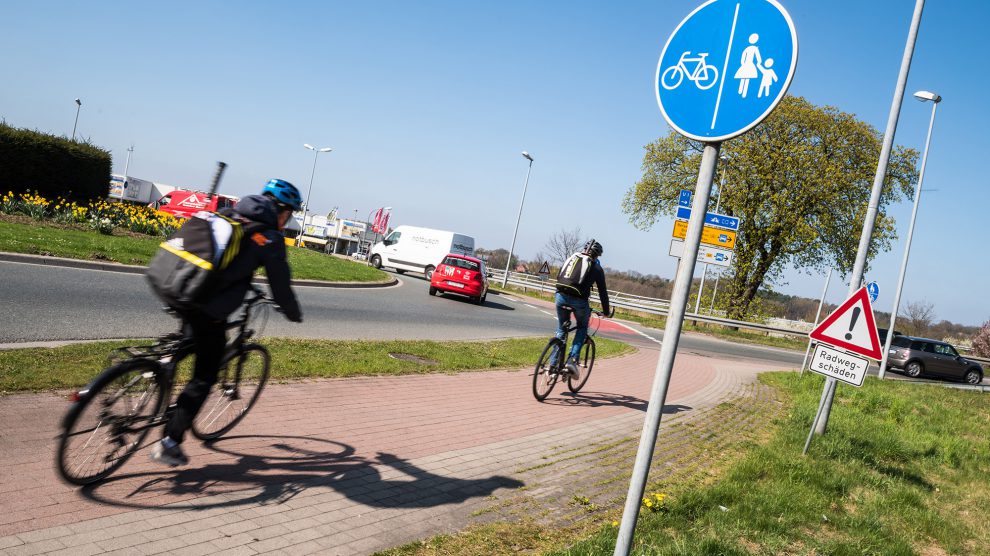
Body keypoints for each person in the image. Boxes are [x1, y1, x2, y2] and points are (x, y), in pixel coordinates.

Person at [151, 179, 304, 466]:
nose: (288, 219)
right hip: (205, 305)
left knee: (191, 335)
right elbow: (281, 286)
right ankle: (170, 441)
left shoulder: (230, 213)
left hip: (173, 282)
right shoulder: (267, 237)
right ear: (281, 210)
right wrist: (293, 313)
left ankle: (161, 365)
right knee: (206, 373)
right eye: (290, 213)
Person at [553, 239, 611, 377]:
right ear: (597, 255)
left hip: (560, 296)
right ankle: (572, 361)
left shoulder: (572, 258)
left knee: (562, 329)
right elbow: (603, 292)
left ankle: (551, 366)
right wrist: (606, 312)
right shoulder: (596, 268)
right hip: (579, 301)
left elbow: (560, 276)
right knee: (582, 327)